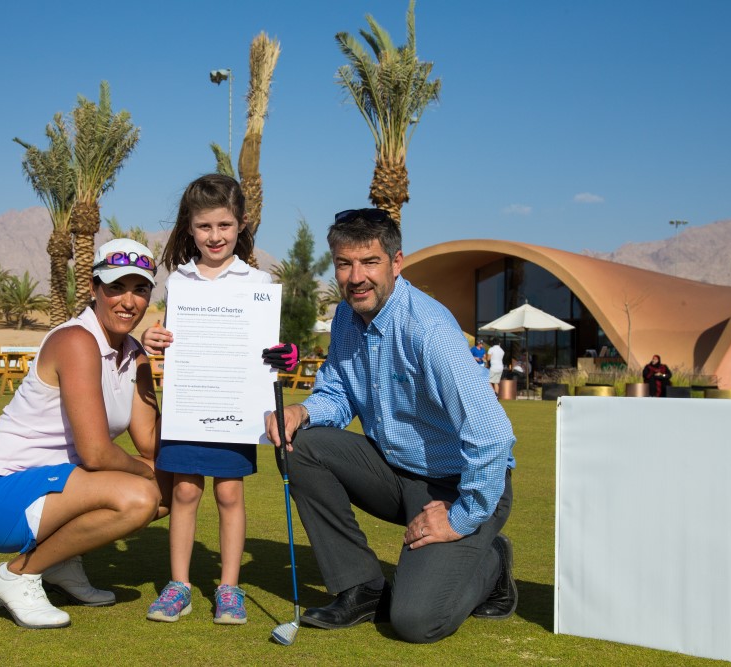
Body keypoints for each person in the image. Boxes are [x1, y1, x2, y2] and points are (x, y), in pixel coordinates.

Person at [265, 208, 517, 644]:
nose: (356, 276)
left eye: (370, 262)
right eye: (345, 264)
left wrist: (460, 518)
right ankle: (361, 586)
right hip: (397, 471)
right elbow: (338, 393)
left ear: (396, 263)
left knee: (417, 621)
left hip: (462, 485)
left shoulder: (429, 328)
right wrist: (302, 412)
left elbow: (493, 435)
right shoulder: (347, 317)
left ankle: (491, 563)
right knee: (298, 445)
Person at [0, 238, 170, 630]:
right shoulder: (76, 341)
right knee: (141, 496)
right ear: (93, 288)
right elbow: (97, 454)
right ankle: (17, 575)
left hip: (56, 484)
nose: (128, 301)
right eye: (115, 287)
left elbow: (150, 442)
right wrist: (147, 474)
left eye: (140, 289)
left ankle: (60, 564)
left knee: (175, 483)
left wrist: (193, 371)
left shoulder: (134, 354)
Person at [140, 173, 297, 625]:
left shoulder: (258, 280)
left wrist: (283, 355)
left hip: (235, 413)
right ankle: (179, 586)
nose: (215, 236)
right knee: (185, 491)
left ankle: (229, 588)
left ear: (242, 224)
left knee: (230, 495)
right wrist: (154, 337)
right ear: (189, 226)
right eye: (205, 226)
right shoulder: (179, 281)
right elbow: (169, 339)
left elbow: (270, 351)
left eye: (224, 226)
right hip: (190, 408)